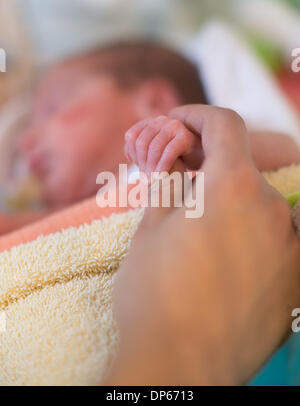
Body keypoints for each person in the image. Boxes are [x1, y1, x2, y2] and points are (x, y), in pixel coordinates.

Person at [106, 105, 300, 385]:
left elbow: (288, 150)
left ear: (152, 99)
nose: (27, 141)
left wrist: (195, 148)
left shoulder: (199, 172)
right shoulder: (81, 203)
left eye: (51, 109)